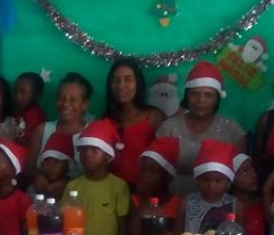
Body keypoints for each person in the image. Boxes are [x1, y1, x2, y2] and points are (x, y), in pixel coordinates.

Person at [157, 61, 246, 195]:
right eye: (195, 94)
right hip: (173, 199)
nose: (201, 100)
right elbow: (156, 172)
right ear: (187, 96)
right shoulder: (169, 128)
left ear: (217, 99)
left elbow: (240, 176)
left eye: (208, 95)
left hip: (218, 202)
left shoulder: (232, 130)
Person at [64, 120, 130, 235]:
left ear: (108, 155)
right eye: (84, 150)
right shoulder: (72, 186)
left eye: (94, 150)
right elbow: (65, 223)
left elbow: (123, 227)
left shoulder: (118, 186)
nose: (88, 154)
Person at [102, 59, 167, 187]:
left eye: (128, 79)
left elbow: (164, 162)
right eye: (116, 80)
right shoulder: (105, 120)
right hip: (110, 191)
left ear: (138, 83)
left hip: (144, 191)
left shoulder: (154, 117)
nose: (121, 85)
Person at [27, 72, 93, 177]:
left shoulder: (92, 136)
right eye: (61, 98)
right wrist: (38, 177)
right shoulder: (42, 131)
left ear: (85, 104)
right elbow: (28, 169)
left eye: (73, 100)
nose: (65, 104)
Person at [128, 136, 181, 235]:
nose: (145, 175)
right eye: (143, 170)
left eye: (152, 171)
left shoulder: (178, 204)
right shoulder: (136, 200)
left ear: (167, 176)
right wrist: (146, 199)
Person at [176, 139, 241, 234]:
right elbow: (178, 234)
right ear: (198, 180)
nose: (211, 185)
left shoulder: (236, 205)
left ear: (227, 183)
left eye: (218, 181)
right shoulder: (187, 202)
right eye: (206, 180)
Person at [231, 153, 266, 235]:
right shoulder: (229, 207)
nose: (253, 175)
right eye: (245, 172)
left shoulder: (261, 204)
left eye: (253, 170)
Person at [30, 131, 74, 202]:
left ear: (66, 164)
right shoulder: (33, 187)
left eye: (57, 161)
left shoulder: (73, 187)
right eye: (47, 160)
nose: (51, 166)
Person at [13, 71, 47, 147]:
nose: (17, 96)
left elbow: (31, 143)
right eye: (15, 91)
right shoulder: (17, 110)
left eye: (22, 92)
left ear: (37, 95)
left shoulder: (36, 115)